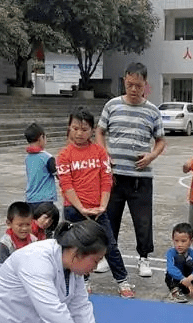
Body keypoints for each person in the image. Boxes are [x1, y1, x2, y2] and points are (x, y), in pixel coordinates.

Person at [96, 62, 166, 278]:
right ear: (124, 81)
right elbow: (100, 132)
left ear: (145, 84)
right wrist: (104, 154)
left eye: (138, 85)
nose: (134, 89)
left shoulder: (153, 111)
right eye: (130, 84)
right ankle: (107, 255)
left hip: (141, 177)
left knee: (143, 220)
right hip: (114, 176)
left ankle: (143, 258)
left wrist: (151, 155)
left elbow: (161, 140)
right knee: (109, 218)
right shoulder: (112, 106)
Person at [57, 107, 135, 299]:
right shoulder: (64, 155)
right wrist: (81, 208)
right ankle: (83, 281)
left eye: (84, 129)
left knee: (109, 245)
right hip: (74, 211)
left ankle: (122, 280)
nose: (79, 133)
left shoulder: (100, 153)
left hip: (99, 211)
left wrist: (102, 206)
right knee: (78, 249)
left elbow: (106, 181)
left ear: (92, 130)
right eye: (75, 128)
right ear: (69, 128)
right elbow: (67, 185)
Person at [0, 201, 37, 280]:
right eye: (20, 225)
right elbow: (3, 272)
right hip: (5, 279)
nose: (24, 228)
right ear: (9, 223)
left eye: (28, 224)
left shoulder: (34, 240)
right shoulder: (3, 245)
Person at [24, 122, 58, 210]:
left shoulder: (27, 158)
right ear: (41, 138)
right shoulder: (48, 158)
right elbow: (58, 175)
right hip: (45, 199)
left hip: (30, 198)